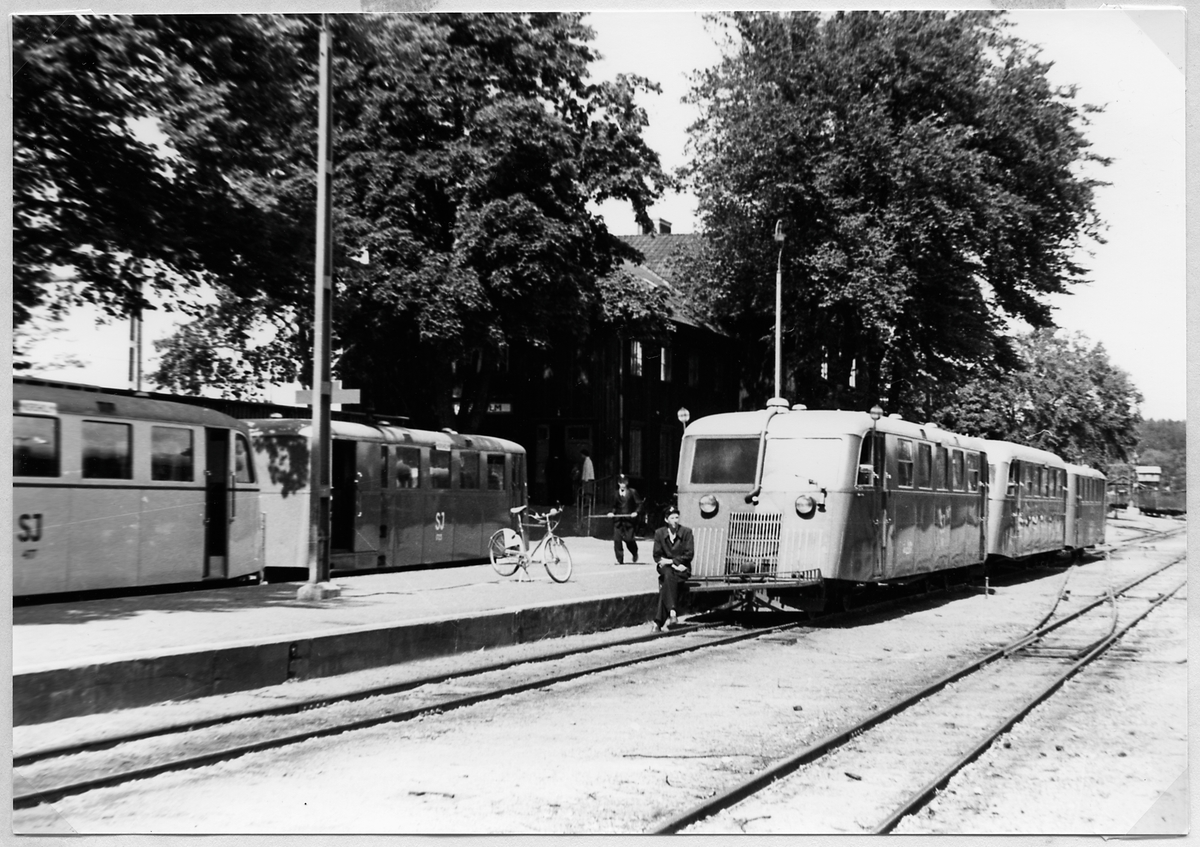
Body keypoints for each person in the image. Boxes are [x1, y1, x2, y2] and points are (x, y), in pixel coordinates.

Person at [651, 505, 693, 631]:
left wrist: (671, 561)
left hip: (682, 568)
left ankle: (658, 622)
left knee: (667, 581)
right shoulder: (659, 533)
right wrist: (673, 564)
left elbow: (689, 554)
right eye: (672, 518)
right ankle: (672, 612)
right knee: (668, 574)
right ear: (666, 520)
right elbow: (657, 555)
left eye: (677, 517)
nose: (675, 520)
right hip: (668, 568)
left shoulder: (686, 532)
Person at [608, 474, 643, 565]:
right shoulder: (615, 494)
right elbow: (614, 506)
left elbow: (639, 504)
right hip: (618, 521)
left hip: (629, 520)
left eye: (624, 482)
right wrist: (612, 513)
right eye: (621, 482)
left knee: (629, 539)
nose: (622, 484)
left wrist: (636, 512)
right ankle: (620, 559)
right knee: (617, 540)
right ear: (618, 483)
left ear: (627, 482)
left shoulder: (632, 492)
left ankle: (634, 552)